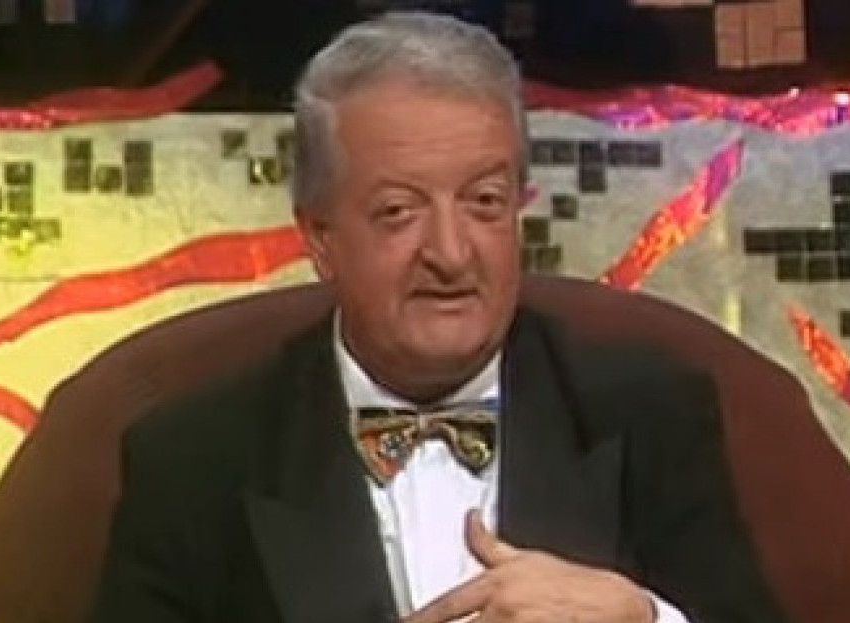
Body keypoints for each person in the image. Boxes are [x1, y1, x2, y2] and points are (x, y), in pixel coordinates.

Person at [89, 11, 788, 623]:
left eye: (484, 202)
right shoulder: (191, 460)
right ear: (320, 237)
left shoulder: (649, 414)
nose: (451, 254)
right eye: (398, 212)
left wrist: (644, 619)